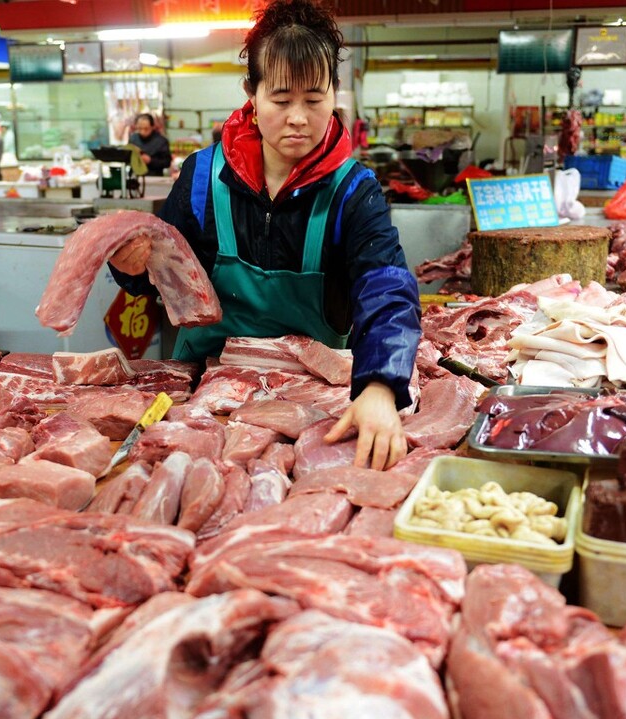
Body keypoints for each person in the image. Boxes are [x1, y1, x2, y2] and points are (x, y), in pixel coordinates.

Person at [110, 0, 418, 471]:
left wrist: (379, 383)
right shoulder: (201, 177)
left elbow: (386, 286)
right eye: (281, 99)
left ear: (335, 94)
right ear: (250, 93)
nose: (299, 117)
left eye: (314, 100)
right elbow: (156, 277)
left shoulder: (353, 190)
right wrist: (129, 265)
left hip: (314, 400)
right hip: (206, 397)